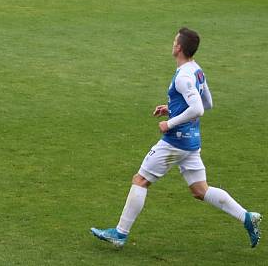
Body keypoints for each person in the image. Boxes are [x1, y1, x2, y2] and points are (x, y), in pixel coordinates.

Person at [91, 28, 262, 249]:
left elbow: (199, 108)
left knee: (140, 180)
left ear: (179, 47)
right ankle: (247, 217)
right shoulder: (197, 70)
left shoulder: (182, 76)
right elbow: (207, 103)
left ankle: (120, 233)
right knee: (200, 190)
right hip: (191, 142)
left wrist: (169, 123)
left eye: (174, 41)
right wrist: (172, 108)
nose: (172, 44)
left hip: (175, 142)